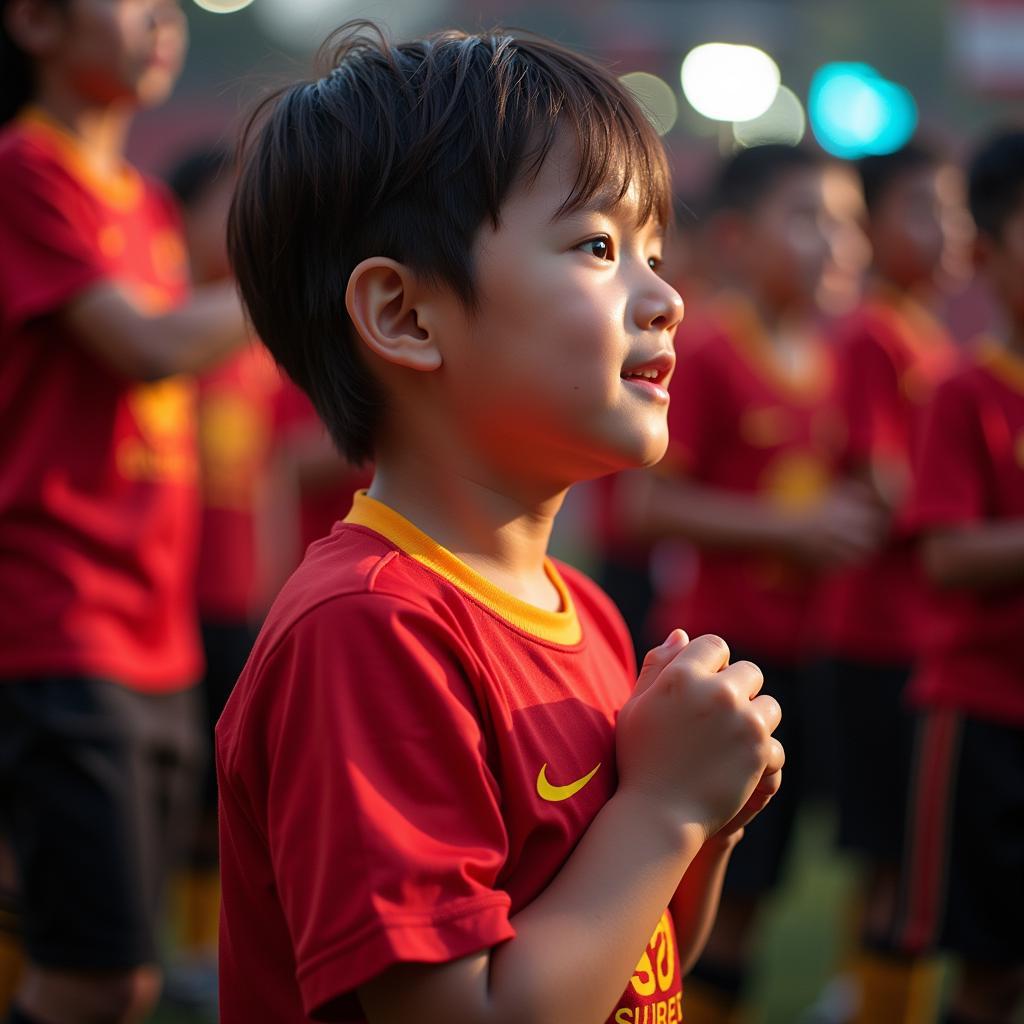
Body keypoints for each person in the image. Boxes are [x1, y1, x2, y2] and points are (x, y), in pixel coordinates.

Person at [217, 22, 786, 1024]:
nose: (665, 299)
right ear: (405, 315)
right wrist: (662, 809)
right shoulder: (368, 630)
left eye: (655, 252)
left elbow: (637, 962)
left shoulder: (591, 614)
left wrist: (708, 820)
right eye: (599, 247)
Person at [0, 0, 250, 1018]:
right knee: (97, 975)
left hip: (156, 630)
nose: (163, 20)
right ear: (37, 22)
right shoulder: (25, 173)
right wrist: (300, 277)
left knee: (118, 976)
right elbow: (146, 346)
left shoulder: (145, 204)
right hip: (61, 619)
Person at [629, 145, 886, 1024]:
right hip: (724, 659)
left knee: (768, 887)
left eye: (849, 223)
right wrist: (794, 529)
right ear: (737, 240)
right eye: (810, 220)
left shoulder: (839, 356)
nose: (839, 245)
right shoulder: (708, 348)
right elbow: (649, 501)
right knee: (708, 894)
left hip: (807, 656)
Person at [816, 142, 971, 1024]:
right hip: (877, 637)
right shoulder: (876, 331)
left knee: (904, 861)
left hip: (913, 634)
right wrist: (970, 516)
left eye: (951, 211)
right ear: (873, 226)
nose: (944, 230)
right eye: (922, 209)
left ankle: (864, 998)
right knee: (895, 861)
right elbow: (886, 484)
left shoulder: (929, 332)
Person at [885, 129, 1024, 1024]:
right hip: (982, 721)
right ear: (983, 252)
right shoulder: (964, 391)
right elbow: (945, 553)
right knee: (986, 970)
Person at [162, 144, 287, 1011]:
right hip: (176, 598)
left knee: (222, 779)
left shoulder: (251, 347)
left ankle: (204, 948)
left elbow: (271, 472)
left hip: (241, 598)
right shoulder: (171, 329)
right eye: (227, 204)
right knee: (169, 783)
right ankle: (167, 939)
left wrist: (275, 583)